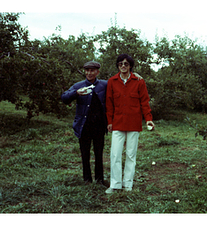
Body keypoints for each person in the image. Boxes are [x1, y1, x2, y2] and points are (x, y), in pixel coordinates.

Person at [105, 54, 155, 193]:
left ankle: (128, 185)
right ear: (117, 65)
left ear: (130, 66)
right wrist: (109, 121)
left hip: (133, 123)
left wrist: (149, 119)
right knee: (115, 154)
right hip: (117, 123)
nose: (123, 66)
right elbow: (109, 103)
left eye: (126, 64)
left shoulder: (139, 81)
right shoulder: (112, 81)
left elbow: (144, 102)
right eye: (120, 63)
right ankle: (115, 184)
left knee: (131, 155)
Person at [61, 61, 108, 186]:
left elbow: (119, 85)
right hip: (84, 126)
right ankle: (87, 179)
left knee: (99, 154)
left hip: (99, 126)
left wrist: (134, 74)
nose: (89, 73)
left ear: (97, 72)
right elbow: (64, 97)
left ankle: (100, 180)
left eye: (92, 70)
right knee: (85, 154)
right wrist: (76, 93)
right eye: (87, 70)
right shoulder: (78, 85)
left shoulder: (104, 85)